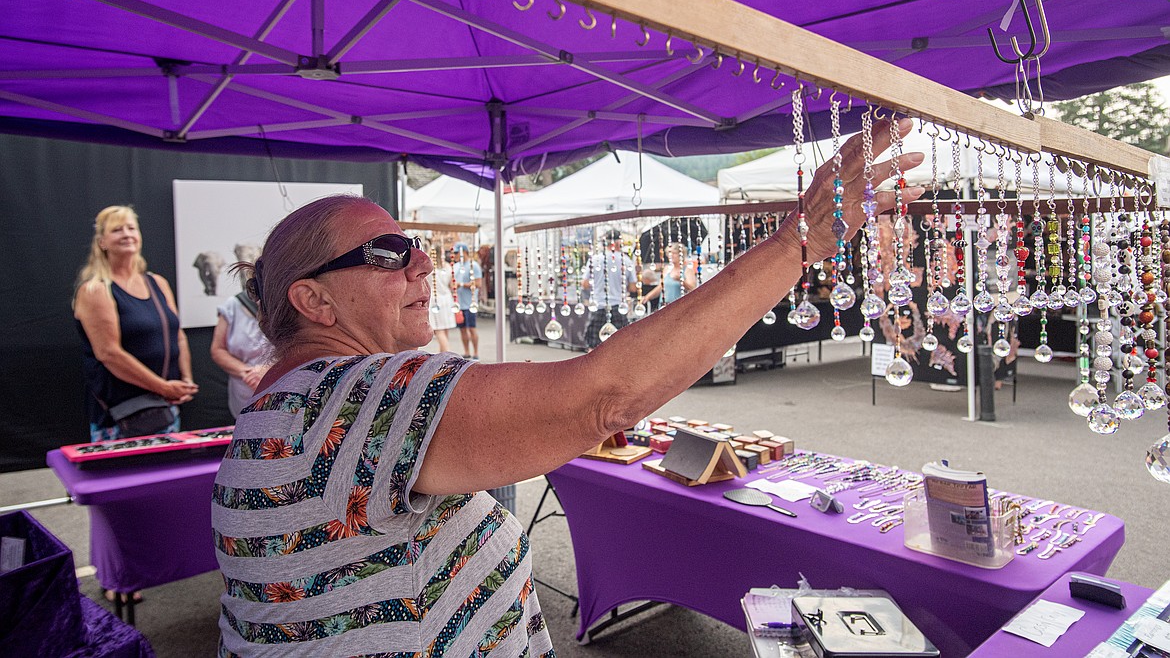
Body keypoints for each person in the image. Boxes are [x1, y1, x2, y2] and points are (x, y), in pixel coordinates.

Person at [211, 118, 920, 656]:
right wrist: (799, 240)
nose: (424, 265)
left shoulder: (295, 407)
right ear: (314, 302)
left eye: (418, 246)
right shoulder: (344, 399)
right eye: (390, 253)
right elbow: (602, 399)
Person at [74, 205, 198, 443]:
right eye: (117, 230)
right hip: (122, 416)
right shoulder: (96, 290)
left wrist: (186, 381)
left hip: (165, 408)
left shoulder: (157, 283)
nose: (127, 234)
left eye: (131, 228)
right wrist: (163, 387)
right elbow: (109, 353)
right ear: (102, 242)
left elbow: (177, 335)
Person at [210, 282, 272, 419]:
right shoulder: (233, 305)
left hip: (282, 394)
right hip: (244, 396)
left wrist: (268, 370)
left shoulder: (293, 305)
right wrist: (248, 372)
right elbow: (218, 350)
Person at [582, 230, 637, 349]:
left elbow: (585, 284)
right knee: (620, 345)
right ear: (618, 243)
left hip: (598, 305)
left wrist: (598, 284)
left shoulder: (594, 259)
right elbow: (633, 287)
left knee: (593, 344)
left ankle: (593, 367)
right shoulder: (626, 260)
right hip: (618, 306)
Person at [452, 242, 483, 359]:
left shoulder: (473, 265)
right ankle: (466, 351)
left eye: (456, 252)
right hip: (459, 304)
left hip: (470, 303)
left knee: (472, 328)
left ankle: (475, 352)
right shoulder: (455, 266)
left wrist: (462, 285)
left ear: (463, 252)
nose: (454, 255)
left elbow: (478, 283)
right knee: (462, 329)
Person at [428, 242, 458, 352]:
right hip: (447, 298)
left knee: (439, 331)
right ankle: (443, 355)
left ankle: (447, 354)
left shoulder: (430, 267)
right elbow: (452, 285)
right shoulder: (447, 266)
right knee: (444, 330)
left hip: (435, 299)